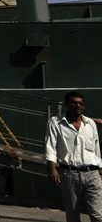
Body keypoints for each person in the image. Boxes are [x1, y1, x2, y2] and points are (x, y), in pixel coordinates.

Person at [45, 91, 102, 222]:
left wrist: (100, 170)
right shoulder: (55, 123)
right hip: (70, 174)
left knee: (98, 215)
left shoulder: (90, 124)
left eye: (80, 103)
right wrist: (52, 168)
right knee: (72, 215)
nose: (78, 106)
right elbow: (50, 147)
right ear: (67, 104)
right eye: (74, 103)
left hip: (92, 174)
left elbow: (96, 149)